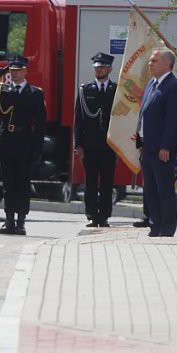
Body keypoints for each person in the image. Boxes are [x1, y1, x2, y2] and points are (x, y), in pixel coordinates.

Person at [0, 56, 46, 235]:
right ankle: (9, 221)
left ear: (25, 71)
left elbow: (40, 124)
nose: (14, 73)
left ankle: (21, 222)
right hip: (6, 140)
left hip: (25, 141)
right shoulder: (2, 90)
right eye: (12, 70)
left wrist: (38, 150)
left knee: (22, 183)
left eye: (17, 70)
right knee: (8, 183)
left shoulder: (35, 93)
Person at [136, 48, 177, 237]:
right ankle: (155, 224)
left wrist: (166, 146)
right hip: (147, 148)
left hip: (161, 149)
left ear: (167, 63)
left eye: (154, 60)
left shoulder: (174, 86)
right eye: (150, 60)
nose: (150, 64)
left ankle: (167, 227)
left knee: (164, 189)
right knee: (150, 189)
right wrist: (139, 140)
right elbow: (144, 113)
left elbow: (172, 119)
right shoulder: (151, 83)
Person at [74, 52, 118, 228]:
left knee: (107, 182)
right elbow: (78, 120)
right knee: (90, 182)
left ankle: (104, 216)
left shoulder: (116, 90)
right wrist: (78, 145)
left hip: (109, 145)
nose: (99, 70)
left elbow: (121, 119)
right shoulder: (85, 90)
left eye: (102, 67)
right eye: (97, 67)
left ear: (110, 69)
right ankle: (92, 215)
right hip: (90, 145)